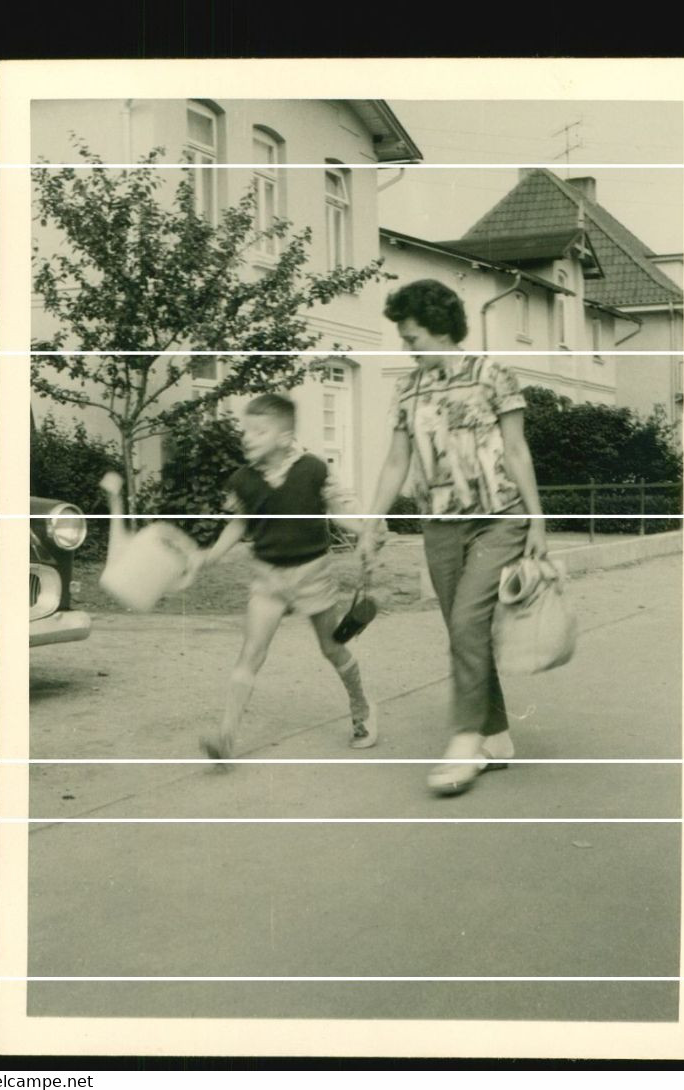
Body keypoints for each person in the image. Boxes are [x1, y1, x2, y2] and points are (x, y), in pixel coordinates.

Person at [359, 278, 548, 797]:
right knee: (461, 630)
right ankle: (499, 738)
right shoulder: (408, 388)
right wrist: (374, 520)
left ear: (441, 330)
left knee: (467, 622)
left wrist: (537, 519)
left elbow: (516, 450)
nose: (407, 347)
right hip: (439, 523)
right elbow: (397, 460)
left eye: (412, 337)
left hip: (498, 518)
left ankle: (465, 742)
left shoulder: (494, 375)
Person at [189, 393, 376, 761]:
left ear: (284, 437)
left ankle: (362, 707)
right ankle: (226, 736)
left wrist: (364, 529)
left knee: (332, 647)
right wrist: (210, 555)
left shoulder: (313, 469)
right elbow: (239, 522)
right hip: (267, 578)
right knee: (251, 653)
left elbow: (338, 512)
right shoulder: (242, 479)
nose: (247, 438)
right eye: (246, 431)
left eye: (259, 431)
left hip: (312, 574)